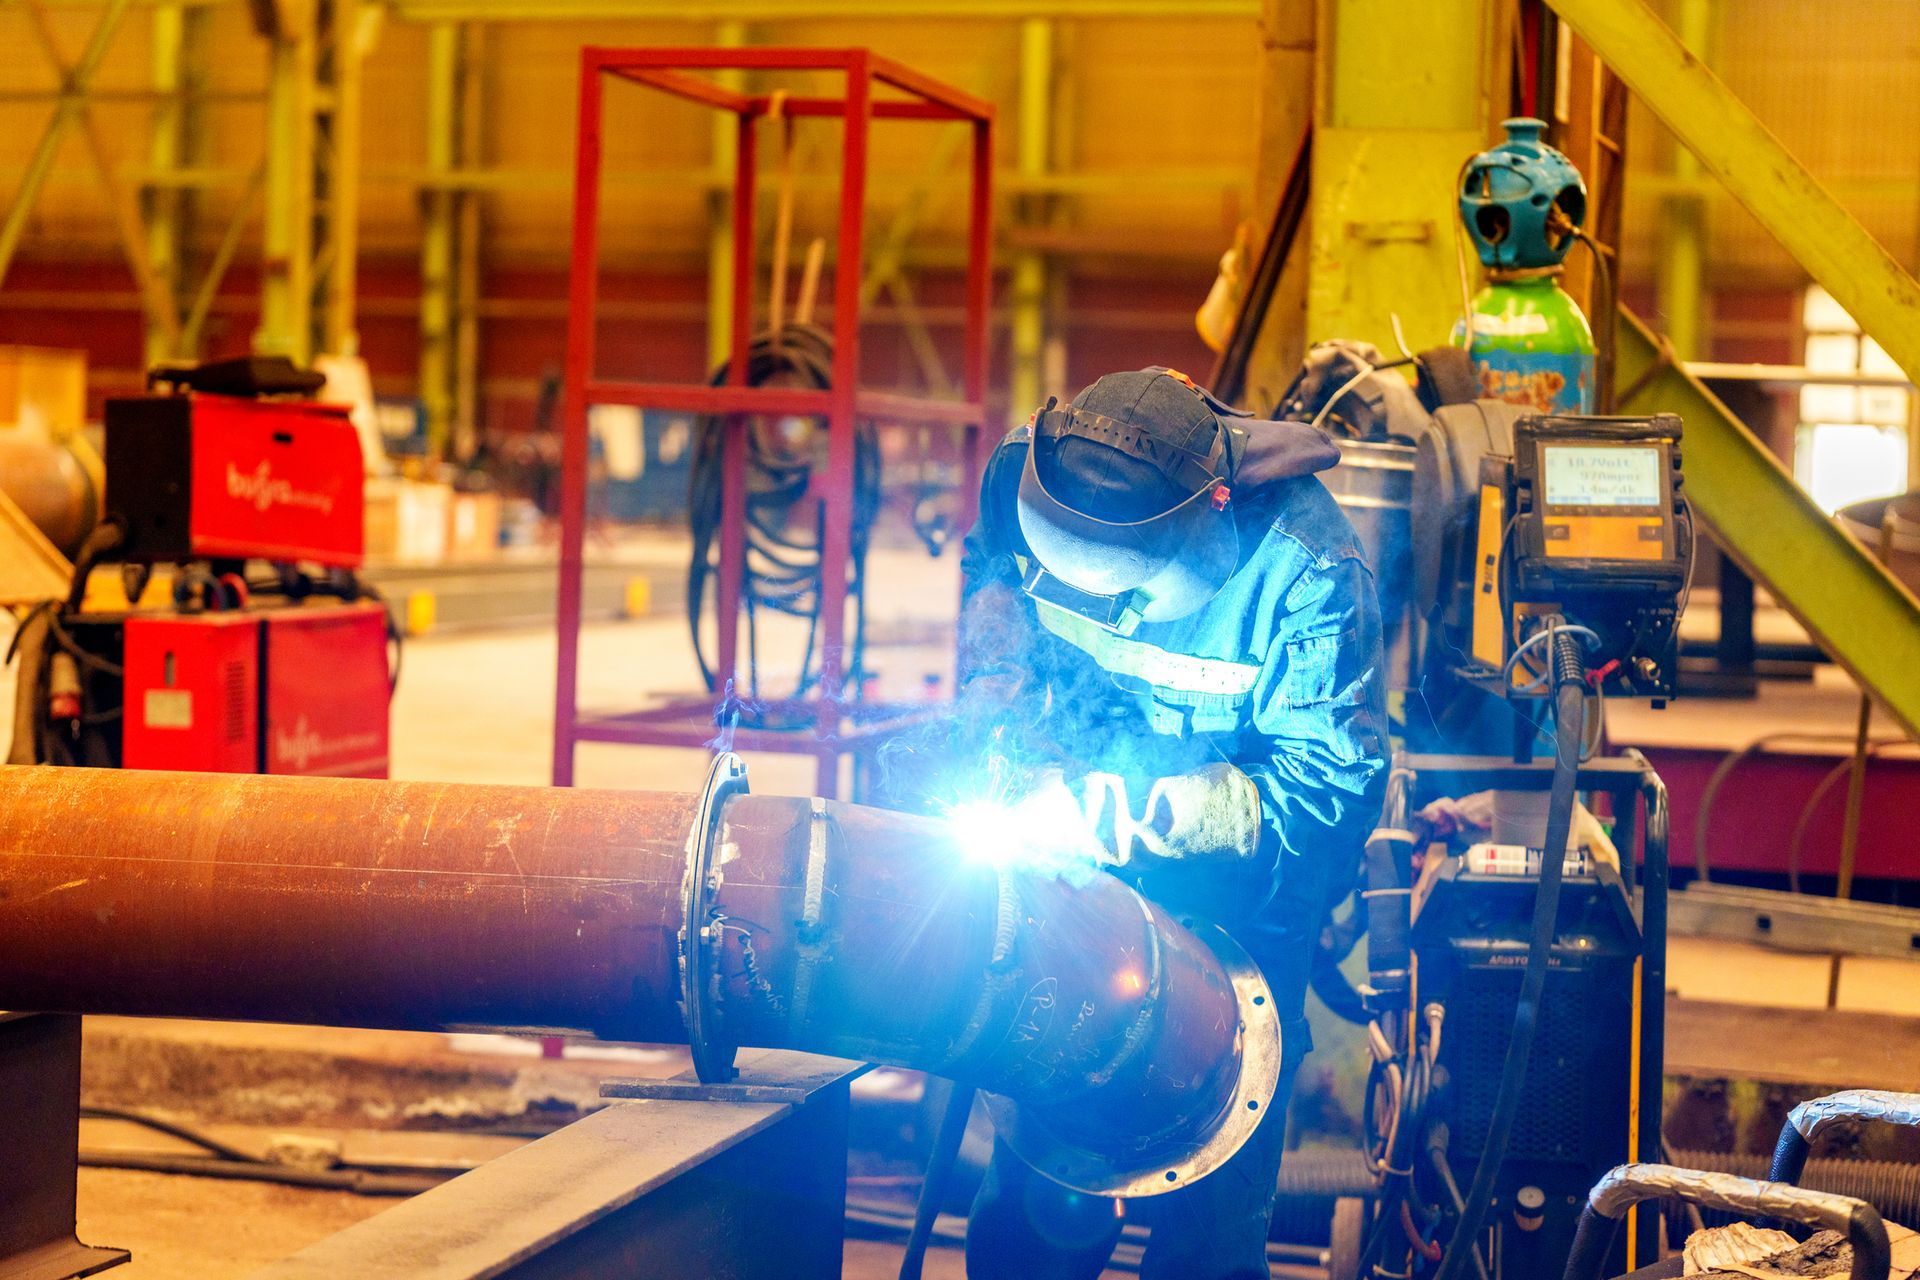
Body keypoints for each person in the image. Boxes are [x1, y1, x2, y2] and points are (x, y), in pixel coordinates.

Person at [954, 366, 1390, 1280]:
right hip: (1069, 888)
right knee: (1031, 1216)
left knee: (1207, 1239)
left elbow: (1332, 791)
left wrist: (1137, 815)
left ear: (1213, 509)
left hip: (1239, 915)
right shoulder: (1021, 475)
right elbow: (994, 589)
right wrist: (998, 711)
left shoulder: (1306, 565)